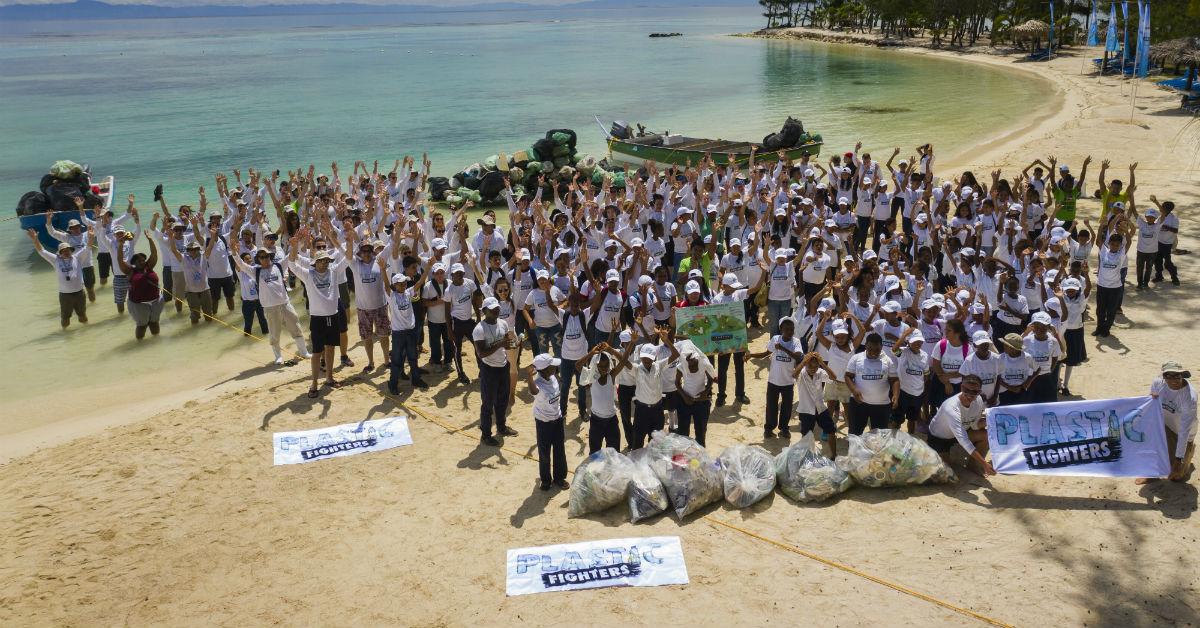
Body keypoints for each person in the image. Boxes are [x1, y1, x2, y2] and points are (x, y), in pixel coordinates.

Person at [232, 245, 310, 365]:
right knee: (274, 333)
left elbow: (291, 255)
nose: (265, 259)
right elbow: (242, 265)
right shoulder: (255, 271)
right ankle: (278, 356)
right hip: (270, 308)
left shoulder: (279, 266)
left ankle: (303, 352)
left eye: (267, 256)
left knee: (296, 328)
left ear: (270, 256)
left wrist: (297, 243)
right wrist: (234, 252)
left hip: (285, 304)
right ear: (258, 259)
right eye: (262, 257)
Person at [289, 245, 346, 397]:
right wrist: (293, 245)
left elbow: (349, 258)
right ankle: (314, 383)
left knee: (331, 348)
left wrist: (350, 239)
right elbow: (291, 264)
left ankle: (329, 378)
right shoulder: (308, 274)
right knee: (316, 352)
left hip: (332, 316)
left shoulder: (333, 271)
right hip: (317, 319)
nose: (325, 263)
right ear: (315, 262)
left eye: (327, 260)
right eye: (321, 260)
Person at [1137, 361, 1196, 484]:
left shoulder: (1189, 398)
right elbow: (1151, 405)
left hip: (1182, 432)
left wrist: (1178, 459)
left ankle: (1187, 457)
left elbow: (1184, 431)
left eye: (1177, 376)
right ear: (1163, 377)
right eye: (1168, 376)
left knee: (1176, 476)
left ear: (1182, 376)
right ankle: (1152, 474)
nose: (1173, 380)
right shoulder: (1158, 383)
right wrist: (1151, 398)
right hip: (1163, 424)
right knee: (1147, 438)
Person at [379, 255, 431, 395]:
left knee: (413, 357)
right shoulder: (391, 296)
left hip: (410, 331)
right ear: (395, 285)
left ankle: (415, 379)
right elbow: (385, 283)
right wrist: (383, 270)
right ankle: (393, 383)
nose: (403, 285)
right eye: (400, 283)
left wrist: (428, 267)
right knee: (396, 360)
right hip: (398, 334)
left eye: (404, 283)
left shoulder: (409, 292)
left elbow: (420, 281)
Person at [927, 374, 996, 476]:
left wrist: (989, 422)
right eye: (966, 390)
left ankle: (973, 464)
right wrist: (985, 463)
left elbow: (974, 425)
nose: (969, 394)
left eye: (974, 392)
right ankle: (942, 454)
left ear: (979, 392)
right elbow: (963, 440)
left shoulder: (979, 401)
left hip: (959, 433)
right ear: (961, 387)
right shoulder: (951, 407)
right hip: (939, 438)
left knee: (985, 435)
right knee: (946, 474)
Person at [749, 316, 804, 438]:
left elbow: (798, 357)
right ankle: (769, 428)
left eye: (792, 329)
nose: (790, 332)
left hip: (788, 382)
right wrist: (751, 355)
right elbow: (765, 354)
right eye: (787, 329)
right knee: (771, 407)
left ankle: (784, 428)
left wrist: (783, 348)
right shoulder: (775, 339)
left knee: (786, 407)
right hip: (773, 381)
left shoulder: (796, 342)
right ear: (781, 329)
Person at [473, 296, 518, 445]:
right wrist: (501, 344)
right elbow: (481, 353)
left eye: (497, 309)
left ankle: (501, 427)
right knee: (488, 403)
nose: (496, 312)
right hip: (489, 369)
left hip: (503, 366)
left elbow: (506, 344)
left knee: (502, 400)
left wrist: (511, 345)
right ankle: (486, 435)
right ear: (485, 311)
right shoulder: (479, 329)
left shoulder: (503, 323)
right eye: (492, 310)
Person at [27, 226, 93, 328]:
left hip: (79, 293)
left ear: (71, 250)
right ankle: (65, 334)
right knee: (66, 318)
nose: (66, 252)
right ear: (60, 252)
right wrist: (35, 240)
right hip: (65, 295)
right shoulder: (56, 260)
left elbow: (88, 247)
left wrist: (91, 237)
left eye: (68, 250)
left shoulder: (78, 257)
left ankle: (87, 332)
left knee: (83, 315)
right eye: (63, 251)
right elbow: (42, 251)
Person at [526, 353, 569, 491]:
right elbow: (533, 390)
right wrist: (529, 377)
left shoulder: (552, 377)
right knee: (544, 452)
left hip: (557, 420)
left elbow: (558, 385)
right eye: (552, 365)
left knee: (559, 450)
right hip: (543, 423)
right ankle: (545, 480)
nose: (556, 366)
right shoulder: (537, 384)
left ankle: (559, 478)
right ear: (544, 369)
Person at [580, 342, 633, 454]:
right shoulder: (592, 378)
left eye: (606, 366)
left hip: (611, 421)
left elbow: (623, 361)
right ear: (596, 365)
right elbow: (577, 366)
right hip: (596, 421)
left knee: (614, 453)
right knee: (595, 452)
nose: (604, 368)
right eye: (601, 366)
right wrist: (591, 353)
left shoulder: (611, 376)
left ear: (610, 364)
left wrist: (630, 343)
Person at [631, 328, 680, 449]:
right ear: (641, 357)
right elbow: (623, 361)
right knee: (638, 442)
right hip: (641, 411)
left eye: (650, 357)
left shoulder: (659, 365)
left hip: (658, 410)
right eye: (644, 357)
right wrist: (632, 343)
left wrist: (667, 341)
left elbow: (676, 355)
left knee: (657, 444)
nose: (647, 360)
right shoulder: (636, 368)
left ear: (654, 357)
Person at [843, 332, 899, 435]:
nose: (873, 352)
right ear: (866, 346)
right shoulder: (856, 358)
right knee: (855, 433)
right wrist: (854, 390)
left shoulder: (888, 361)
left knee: (878, 437)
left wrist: (895, 395)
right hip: (858, 403)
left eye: (877, 349)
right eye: (870, 349)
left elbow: (894, 380)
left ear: (881, 347)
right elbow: (848, 376)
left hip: (881, 405)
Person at [793, 351, 839, 458]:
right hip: (806, 410)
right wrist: (804, 361)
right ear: (805, 364)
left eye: (816, 365)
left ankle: (834, 456)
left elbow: (833, 377)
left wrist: (822, 364)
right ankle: (807, 457)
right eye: (810, 365)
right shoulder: (801, 373)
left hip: (820, 408)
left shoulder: (820, 372)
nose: (813, 368)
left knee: (831, 431)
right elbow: (794, 374)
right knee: (807, 436)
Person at [117, 235, 163, 339]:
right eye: (139, 261)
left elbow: (154, 253)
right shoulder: (130, 271)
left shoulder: (149, 266)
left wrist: (150, 239)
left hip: (156, 301)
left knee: (154, 323)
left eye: (143, 260)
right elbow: (120, 260)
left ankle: (156, 343)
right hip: (138, 304)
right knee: (142, 326)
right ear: (134, 263)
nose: (142, 262)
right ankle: (139, 345)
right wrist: (120, 245)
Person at [443, 262, 481, 384]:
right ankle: (461, 373)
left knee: (478, 345)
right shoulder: (449, 290)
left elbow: (475, 302)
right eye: (456, 273)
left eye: (461, 273)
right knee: (457, 349)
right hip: (457, 323)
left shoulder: (469, 283)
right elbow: (447, 311)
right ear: (452, 275)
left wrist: (479, 318)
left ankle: (482, 369)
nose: (459, 275)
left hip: (469, 321)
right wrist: (449, 330)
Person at [674, 349, 716, 446]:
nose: (690, 363)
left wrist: (705, 392)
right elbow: (677, 383)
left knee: (701, 431)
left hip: (701, 402)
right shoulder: (681, 366)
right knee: (683, 431)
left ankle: (701, 452)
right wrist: (685, 397)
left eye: (692, 360)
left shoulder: (704, 364)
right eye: (688, 361)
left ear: (696, 358)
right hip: (685, 401)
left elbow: (710, 379)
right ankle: (684, 455)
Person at [893, 330, 930, 433]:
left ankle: (910, 437)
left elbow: (926, 374)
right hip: (903, 392)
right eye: (914, 341)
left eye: (920, 341)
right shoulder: (903, 352)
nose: (917, 344)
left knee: (912, 419)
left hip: (917, 394)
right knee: (897, 419)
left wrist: (920, 387)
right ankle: (894, 438)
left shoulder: (925, 356)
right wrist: (904, 335)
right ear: (909, 342)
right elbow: (894, 349)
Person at [959, 330, 1001, 407]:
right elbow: (964, 381)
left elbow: (999, 378)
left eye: (986, 343)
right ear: (975, 345)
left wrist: (995, 396)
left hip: (992, 401)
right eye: (981, 344)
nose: (984, 346)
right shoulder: (969, 361)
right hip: (974, 401)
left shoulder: (996, 359)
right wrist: (977, 394)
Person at [996, 333, 1035, 406]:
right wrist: (1010, 387)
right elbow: (997, 377)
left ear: (1013, 348)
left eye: (1006, 345)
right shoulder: (1000, 358)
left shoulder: (1027, 358)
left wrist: (1025, 384)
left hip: (1022, 391)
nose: (1003, 346)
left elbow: (1033, 372)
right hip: (1004, 392)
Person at [1148, 195, 1179, 286]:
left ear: (1169, 210)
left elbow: (1176, 231)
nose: (1161, 209)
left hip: (1167, 244)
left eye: (1163, 208)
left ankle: (1174, 277)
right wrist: (1155, 201)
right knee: (1157, 260)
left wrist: (1167, 227)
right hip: (1158, 242)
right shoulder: (1160, 214)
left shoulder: (1174, 219)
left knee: (1168, 262)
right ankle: (1159, 276)